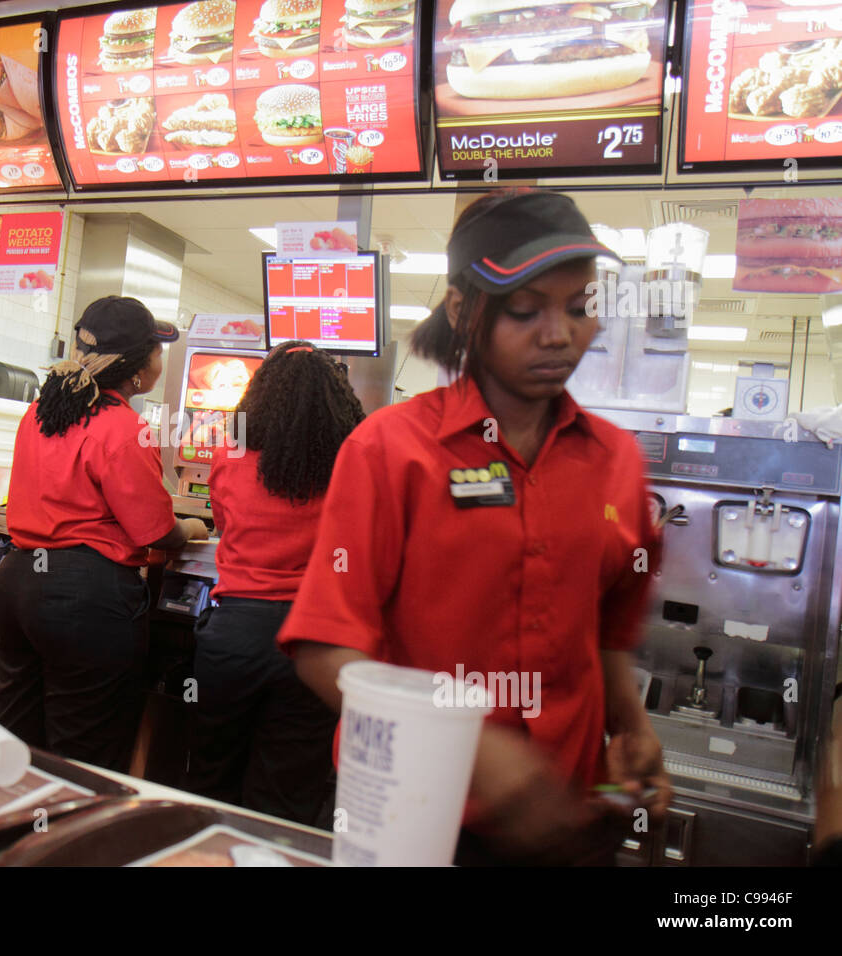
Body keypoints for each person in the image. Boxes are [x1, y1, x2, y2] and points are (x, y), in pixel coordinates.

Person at [278, 189, 672, 863]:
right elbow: (324, 649)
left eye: (579, 308)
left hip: (563, 818)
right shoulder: (390, 451)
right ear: (462, 312)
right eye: (526, 310)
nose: (559, 334)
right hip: (415, 814)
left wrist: (631, 726)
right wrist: (468, 746)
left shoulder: (616, 460)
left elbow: (607, 629)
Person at [0, 296, 209, 772]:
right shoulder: (126, 428)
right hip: (84, 598)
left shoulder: (41, 414)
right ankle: (70, 839)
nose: (160, 359)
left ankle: (13, 835)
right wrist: (193, 526)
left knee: (17, 742)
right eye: (156, 350)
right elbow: (154, 530)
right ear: (138, 369)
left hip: (18, 582)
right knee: (84, 753)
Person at [183, 341, 365, 827]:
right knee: (288, 796)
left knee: (209, 779)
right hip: (314, 645)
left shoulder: (232, 452)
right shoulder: (352, 464)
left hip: (232, 638)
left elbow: (222, 521)